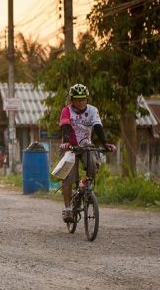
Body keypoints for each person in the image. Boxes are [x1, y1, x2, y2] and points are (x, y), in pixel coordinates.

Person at [59, 83, 116, 223]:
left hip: (86, 146)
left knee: (93, 165)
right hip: (71, 147)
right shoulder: (66, 111)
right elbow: (65, 127)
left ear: (87, 99)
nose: (81, 102)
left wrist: (105, 143)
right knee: (68, 177)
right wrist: (66, 142)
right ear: (72, 100)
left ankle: (84, 186)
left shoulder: (92, 110)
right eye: (78, 99)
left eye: (84, 99)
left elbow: (97, 126)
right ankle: (67, 209)